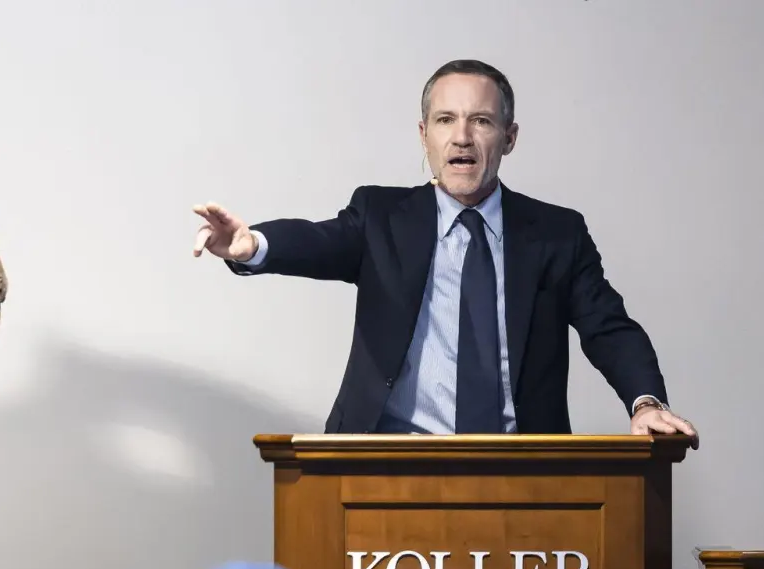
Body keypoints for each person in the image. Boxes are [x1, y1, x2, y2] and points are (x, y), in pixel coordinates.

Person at [192, 58, 697, 444]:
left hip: (524, 469)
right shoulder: (380, 216)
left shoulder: (556, 234)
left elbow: (608, 326)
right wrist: (251, 244)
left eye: (481, 121)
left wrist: (645, 403)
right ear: (424, 136)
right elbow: (320, 242)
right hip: (385, 459)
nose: (462, 137)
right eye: (445, 120)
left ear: (509, 137)